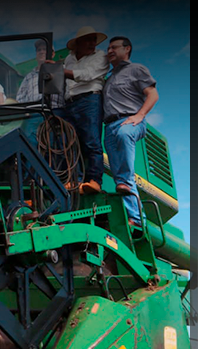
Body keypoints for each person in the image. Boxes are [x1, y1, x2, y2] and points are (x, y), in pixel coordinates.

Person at [102, 36, 158, 228]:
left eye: (114, 47)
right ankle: (136, 218)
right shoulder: (108, 78)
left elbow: (153, 94)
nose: (109, 51)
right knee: (120, 177)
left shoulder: (137, 69)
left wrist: (140, 115)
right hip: (109, 127)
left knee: (124, 137)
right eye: (108, 48)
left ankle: (137, 218)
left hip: (129, 121)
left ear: (127, 49)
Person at [55, 26, 109, 194]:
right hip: (69, 103)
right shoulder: (68, 60)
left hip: (89, 99)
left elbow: (87, 74)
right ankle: (75, 180)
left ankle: (94, 181)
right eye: (88, 39)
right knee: (70, 142)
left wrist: (59, 71)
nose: (92, 43)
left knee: (92, 141)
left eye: (94, 40)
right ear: (78, 43)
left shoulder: (100, 56)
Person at [16, 39, 65, 146]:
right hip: (34, 115)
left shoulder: (61, 70)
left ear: (52, 54)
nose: (42, 52)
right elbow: (20, 98)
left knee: (55, 146)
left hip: (54, 112)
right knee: (30, 145)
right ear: (36, 54)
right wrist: (26, 112)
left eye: (45, 49)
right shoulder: (29, 77)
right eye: (39, 50)